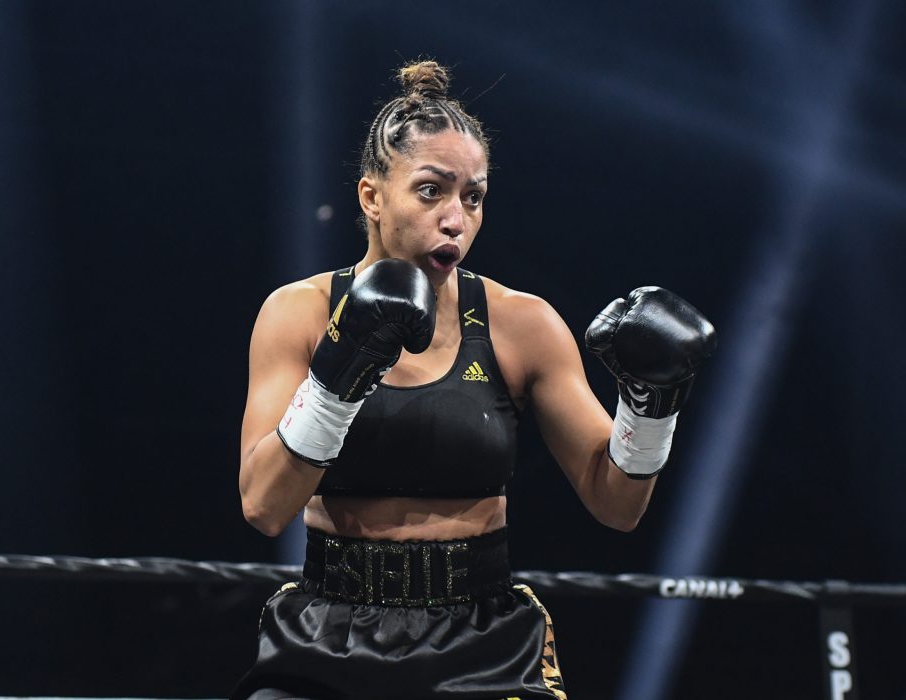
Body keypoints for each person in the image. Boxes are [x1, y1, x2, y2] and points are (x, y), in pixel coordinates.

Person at [234, 60, 716, 699]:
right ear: (372, 197)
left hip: (481, 643)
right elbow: (264, 506)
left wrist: (651, 406)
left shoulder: (524, 325)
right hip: (330, 632)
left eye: (473, 195)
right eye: (431, 189)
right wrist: (339, 372)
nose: (456, 217)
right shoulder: (299, 313)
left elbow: (617, 504)